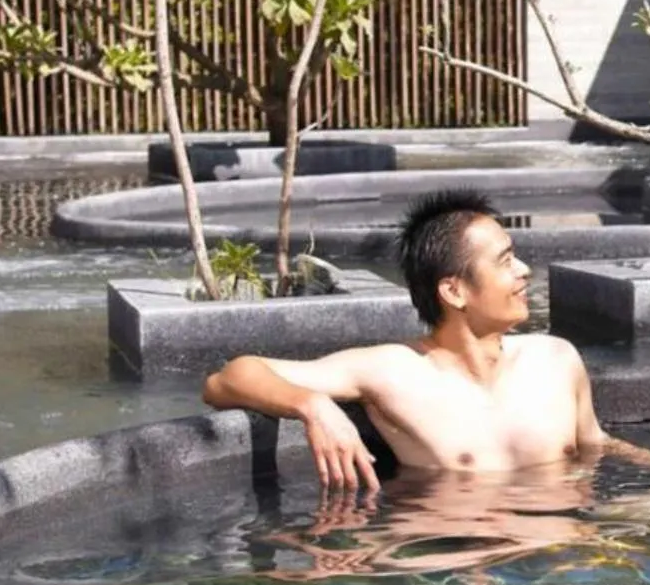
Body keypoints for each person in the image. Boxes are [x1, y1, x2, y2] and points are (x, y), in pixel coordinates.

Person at [202, 188, 619, 491]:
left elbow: (596, 447)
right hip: (454, 567)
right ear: (454, 291)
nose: (525, 270)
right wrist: (311, 406)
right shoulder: (395, 371)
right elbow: (227, 379)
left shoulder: (556, 360)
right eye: (506, 261)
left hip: (567, 557)